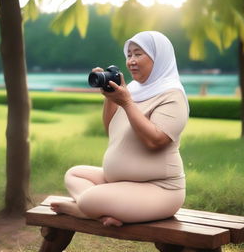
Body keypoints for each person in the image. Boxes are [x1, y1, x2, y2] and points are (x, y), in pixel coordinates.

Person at [51, 31, 189, 227]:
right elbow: (111, 129)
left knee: (90, 198)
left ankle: (85, 209)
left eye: (138, 54)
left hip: (159, 188)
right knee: (74, 174)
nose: (131, 60)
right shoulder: (131, 90)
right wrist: (111, 98)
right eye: (129, 54)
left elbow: (155, 141)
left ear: (158, 57)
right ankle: (101, 210)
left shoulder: (172, 96)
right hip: (119, 181)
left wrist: (126, 103)